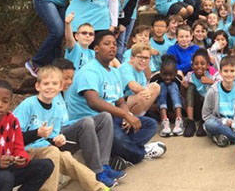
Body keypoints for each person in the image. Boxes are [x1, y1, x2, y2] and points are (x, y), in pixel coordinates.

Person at [12, 66, 120, 191]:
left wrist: (57, 140)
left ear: (60, 86)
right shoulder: (28, 105)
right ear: (37, 86)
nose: (50, 87)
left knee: (66, 157)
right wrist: (37, 133)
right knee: (53, 153)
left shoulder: (55, 108)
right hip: (22, 152)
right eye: (46, 83)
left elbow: (49, 139)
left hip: (44, 150)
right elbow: (12, 136)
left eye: (54, 83)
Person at [65, 31, 164, 170]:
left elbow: (120, 102)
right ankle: (139, 153)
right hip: (92, 121)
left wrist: (126, 116)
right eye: (107, 44)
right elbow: (94, 102)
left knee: (150, 125)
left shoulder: (114, 72)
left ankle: (123, 151)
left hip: (112, 118)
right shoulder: (89, 71)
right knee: (118, 139)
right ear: (96, 49)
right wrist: (124, 114)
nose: (112, 47)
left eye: (114, 44)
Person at [51, 59, 120, 190]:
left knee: (105, 117)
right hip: (55, 138)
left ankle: (104, 165)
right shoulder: (49, 96)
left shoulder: (62, 94)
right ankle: (97, 172)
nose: (70, 82)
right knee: (86, 122)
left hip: (65, 130)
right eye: (66, 78)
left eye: (72, 78)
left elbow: (66, 121)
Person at [202, 56, 235, 146]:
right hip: (218, 122)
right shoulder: (212, 91)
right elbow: (206, 116)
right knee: (209, 124)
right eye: (225, 71)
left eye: (232, 71)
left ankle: (221, 137)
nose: (229, 74)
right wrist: (224, 121)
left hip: (234, 124)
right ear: (220, 73)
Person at [182, 49, 217, 137]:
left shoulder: (213, 75)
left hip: (209, 109)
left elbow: (222, 87)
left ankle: (204, 122)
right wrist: (183, 87)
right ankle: (190, 122)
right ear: (192, 65)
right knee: (190, 86)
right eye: (196, 64)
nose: (199, 66)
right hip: (195, 108)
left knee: (211, 92)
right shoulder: (189, 76)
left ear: (208, 65)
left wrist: (211, 82)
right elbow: (183, 96)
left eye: (202, 63)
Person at [155, 55, 187, 137]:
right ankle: (164, 120)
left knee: (172, 85)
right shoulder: (156, 79)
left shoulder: (178, 78)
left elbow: (183, 97)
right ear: (160, 72)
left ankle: (179, 119)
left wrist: (183, 87)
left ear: (176, 73)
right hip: (160, 108)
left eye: (170, 74)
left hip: (175, 106)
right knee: (161, 85)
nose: (167, 77)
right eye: (164, 74)